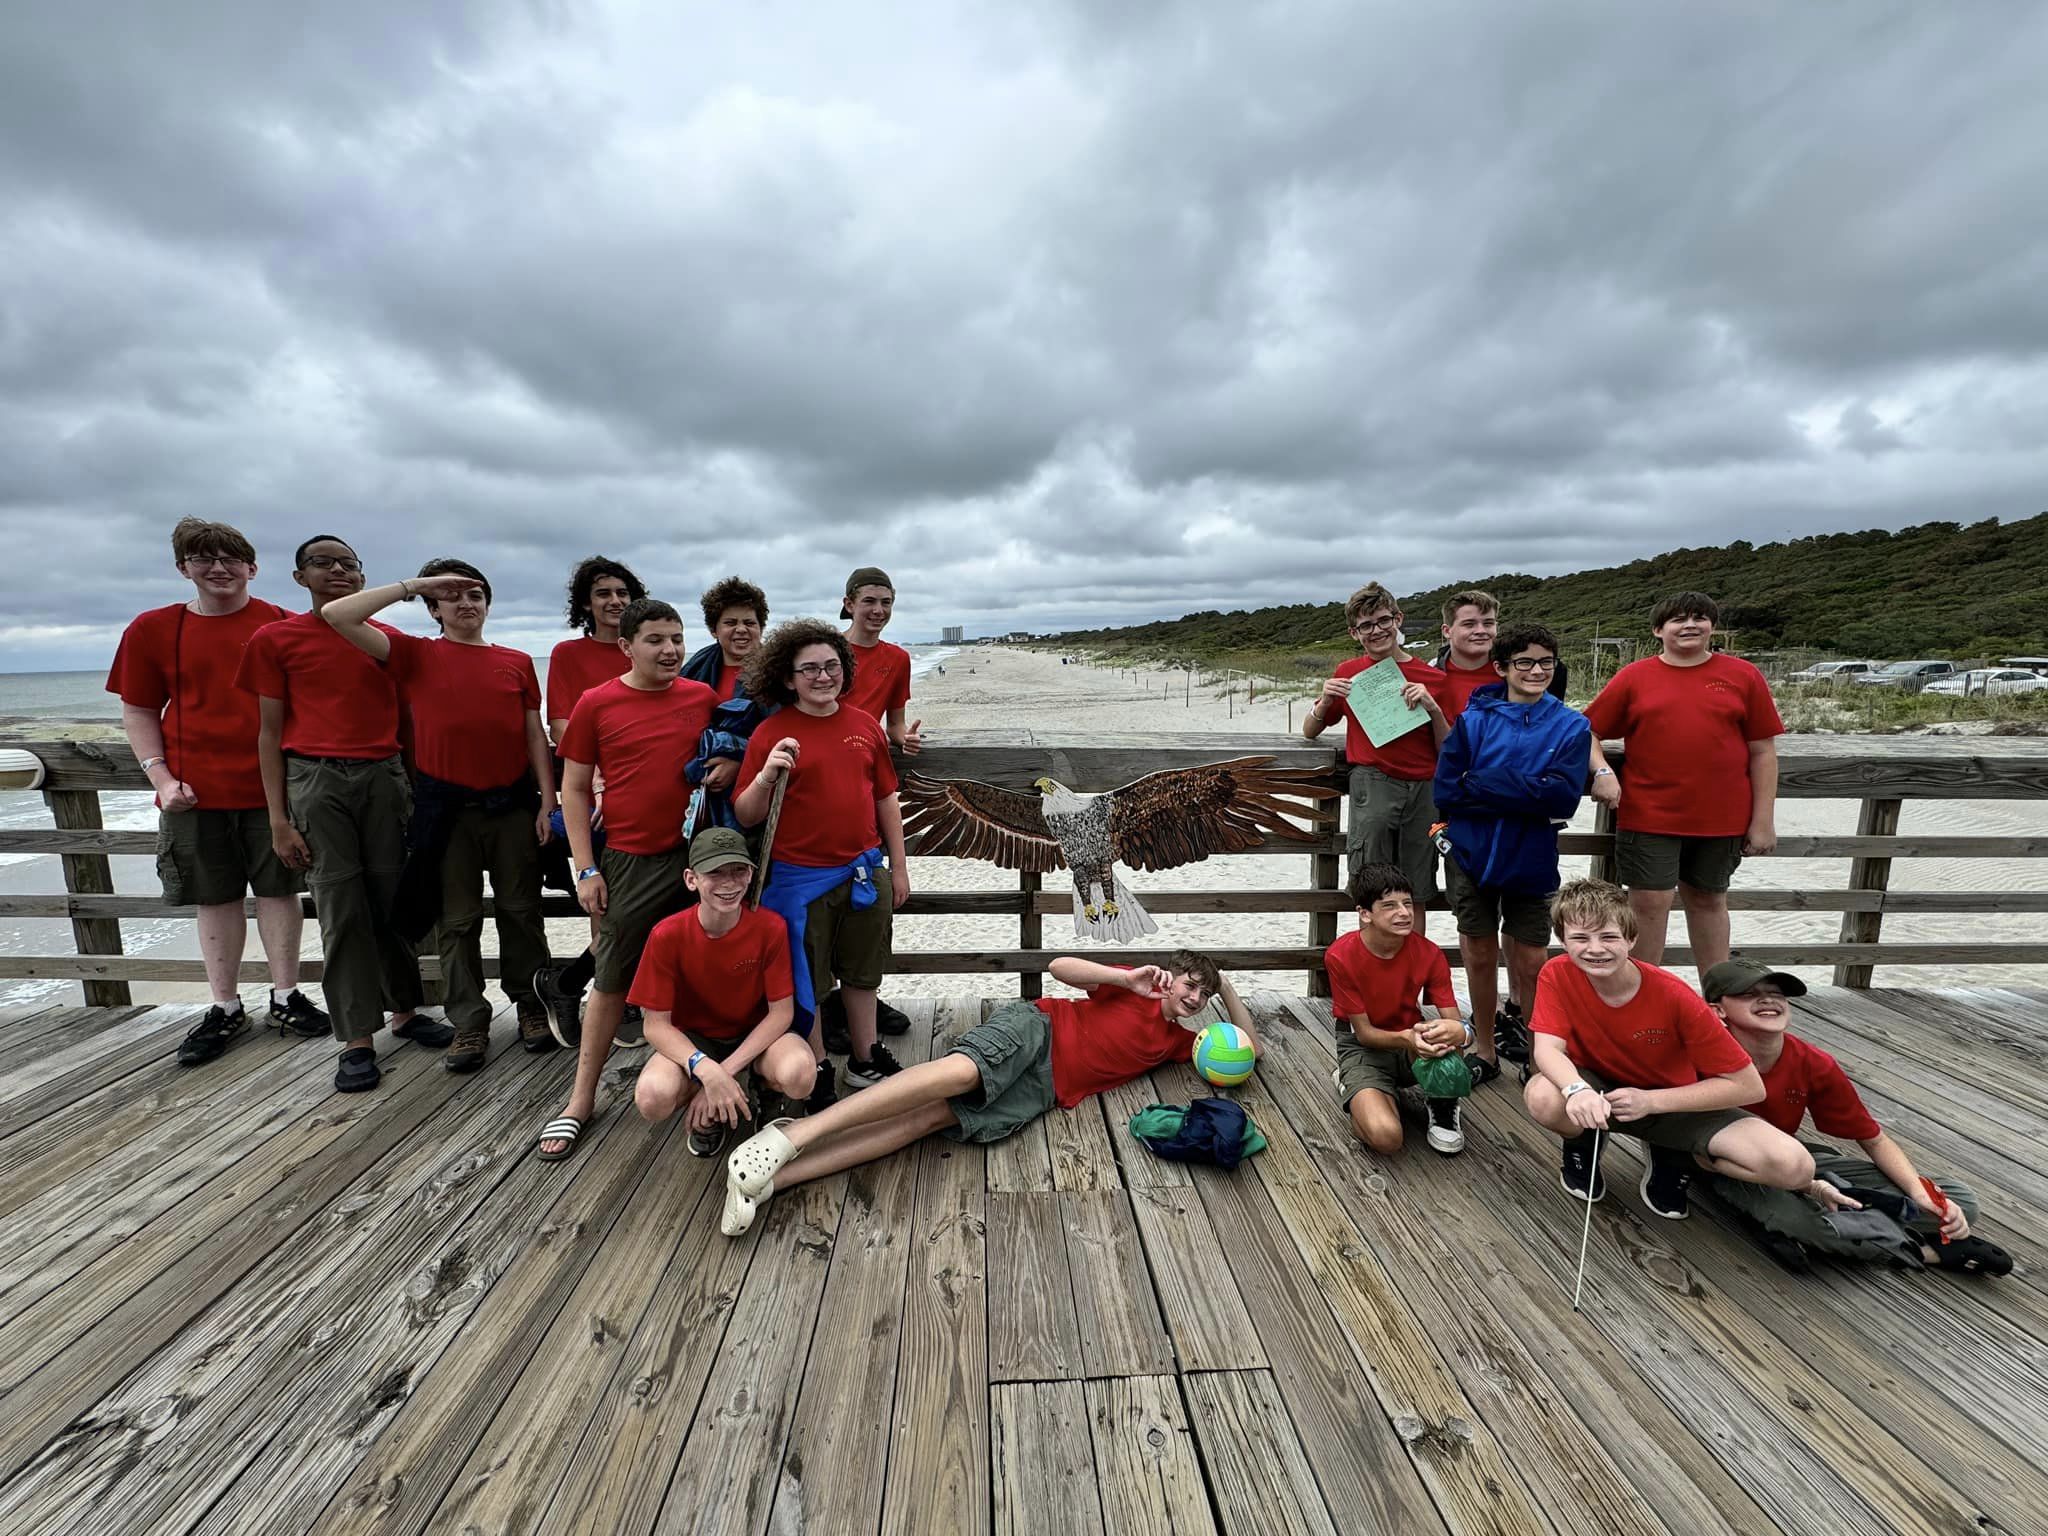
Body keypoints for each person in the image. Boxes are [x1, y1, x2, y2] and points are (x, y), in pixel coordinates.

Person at [718, 951, 1251, 1235]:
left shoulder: (1183, 1042)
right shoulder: (1131, 987)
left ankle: (776, 1178)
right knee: (960, 1073)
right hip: (1037, 1031)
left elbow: (1251, 1050)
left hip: (1045, 1089)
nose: (1194, 996)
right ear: (1171, 976)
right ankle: (796, 1135)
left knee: (922, 1121)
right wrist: (1123, 977)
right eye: (1190, 983)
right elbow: (1057, 968)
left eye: (1203, 994)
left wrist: (1227, 986)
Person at [234, 536, 454, 1091]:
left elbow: (410, 720)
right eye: (323, 563)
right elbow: (267, 731)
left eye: (348, 564)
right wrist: (279, 819)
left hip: (384, 776)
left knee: (391, 900)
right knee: (340, 906)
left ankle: (404, 1011)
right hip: (315, 778)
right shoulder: (275, 639)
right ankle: (356, 1036)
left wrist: (415, 785)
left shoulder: (386, 640)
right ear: (299, 576)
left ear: (362, 577)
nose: (337, 571)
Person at [322, 560, 558, 1069]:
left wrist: (548, 800)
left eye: (475, 594)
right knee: (457, 921)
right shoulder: (414, 654)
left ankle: (532, 1007)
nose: (466, 603)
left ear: (488, 605)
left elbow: (533, 733)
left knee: (522, 911)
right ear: (433, 608)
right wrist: (414, 585)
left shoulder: (516, 661)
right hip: (445, 809)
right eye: (452, 596)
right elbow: (339, 615)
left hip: (512, 805)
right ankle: (469, 1022)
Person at [107, 517, 326, 1063]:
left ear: (252, 567)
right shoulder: (151, 629)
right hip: (193, 792)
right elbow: (137, 710)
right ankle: (225, 1006)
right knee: (215, 896)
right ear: (184, 569)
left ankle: (285, 995)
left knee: (280, 891)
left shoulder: (283, 623)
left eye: (231, 559)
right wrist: (160, 778)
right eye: (203, 559)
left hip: (274, 792)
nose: (219, 569)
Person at [537, 598, 717, 1161]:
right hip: (628, 858)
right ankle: (579, 1100)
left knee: (698, 970)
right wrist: (585, 868)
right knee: (612, 978)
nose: (669, 650)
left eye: (677, 639)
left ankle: (698, 1088)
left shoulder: (700, 697)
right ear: (626, 646)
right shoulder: (597, 703)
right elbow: (573, 789)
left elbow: (736, 745)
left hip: (694, 853)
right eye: (656, 640)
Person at [1699, 959, 2010, 1275]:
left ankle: (1828, 1228)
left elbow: (1873, 1140)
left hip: (1793, 1157)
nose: (1768, 999)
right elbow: (1704, 1158)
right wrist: (1811, 1187)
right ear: (1717, 1010)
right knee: (1800, 1222)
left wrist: (1920, 1194)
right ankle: (1926, 1252)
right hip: (1732, 1168)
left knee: (1959, 1202)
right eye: (1749, 993)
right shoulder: (1702, 1061)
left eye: (1777, 992)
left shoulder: (1813, 1062)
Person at [1522, 879, 1812, 1217]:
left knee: (1794, 1166)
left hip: (1672, 1100)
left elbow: (1748, 1085)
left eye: (1609, 937)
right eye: (1581, 938)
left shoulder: (1674, 995)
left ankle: (1677, 1152)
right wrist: (1577, 1091)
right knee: (1543, 1095)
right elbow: (1547, 1050)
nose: (1595, 949)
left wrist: (1651, 1102)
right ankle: (1584, 1141)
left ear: (1631, 939)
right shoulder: (1556, 974)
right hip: (1598, 1092)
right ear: (1563, 940)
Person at [735, 619, 912, 1108]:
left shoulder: (862, 726)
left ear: (844, 670)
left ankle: (864, 1059)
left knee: (862, 972)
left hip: (862, 871)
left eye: (831, 666)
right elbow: (747, 814)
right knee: (808, 980)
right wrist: (768, 774)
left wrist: (897, 867)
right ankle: (817, 1069)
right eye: (808, 669)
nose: (822, 676)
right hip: (796, 881)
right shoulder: (770, 732)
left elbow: (885, 799)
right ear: (788, 678)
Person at [1584, 592, 1783, 972]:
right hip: (1649, 814)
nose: (1689, 625)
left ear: (1712, 626)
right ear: (1659, 630)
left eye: (1698, 618)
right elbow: (1587, 730)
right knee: (1648, 905)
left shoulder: (1743, 675)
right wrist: (1603, 771)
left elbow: (1763, 751)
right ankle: (1644, 995)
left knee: (1709, 901)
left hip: (1722, 817)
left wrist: (1763, 820)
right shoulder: (1635, 677)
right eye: (1677, 619)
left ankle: (1717, 998)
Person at [1431, 623, 1593, 1080]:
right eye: (1524, 662)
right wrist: (1529, 789)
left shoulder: (1571, 726)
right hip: (1470, 854)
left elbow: (1562, 798)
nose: (1536, 670)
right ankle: (1484, 1049)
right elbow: (1447, 790)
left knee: (1532, 959)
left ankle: (1541, 1054)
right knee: (1478, 953)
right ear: (1502, 667)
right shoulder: (1473, 720)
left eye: (1545, 662)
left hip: (1532, 857)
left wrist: (1484, 782)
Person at [626, 828, 819, 1158]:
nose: (729, 883)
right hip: (696, 1038)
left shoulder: (770, 927)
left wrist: (722, 1073)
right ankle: (712, 1105)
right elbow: (654, 1025)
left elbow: (781, 1013)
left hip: (755, 1034)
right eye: (715, 873)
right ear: (691, 879)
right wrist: (705, 1069)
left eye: (738, 871)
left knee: (801, 1073)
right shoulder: (666, 934)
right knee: (651, 1098)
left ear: (750, 875)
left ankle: (761, 1092)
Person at [533, 557, 649, 1042]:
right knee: (608, 907)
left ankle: (569, 982)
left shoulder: (643, 651)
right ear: (586, 602)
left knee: (646, 907)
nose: (614, 601)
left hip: (644, 798)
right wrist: (597, 771)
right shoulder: (567, 653)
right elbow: (560, 724)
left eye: (623, 593)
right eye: (603, 593)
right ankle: (609, 996)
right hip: (597, 799)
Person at [1301, 581, 1453, 933]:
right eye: (1366, 626)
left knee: (1416, 889)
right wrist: (1325, 699)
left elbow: (1448, 746)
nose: (1377, 631)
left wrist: (1431, 706)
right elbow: (1310, 731)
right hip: (1373, 783)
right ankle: (1373, 977)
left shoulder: (1435, 678)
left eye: (1383, 621)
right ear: (1354, 633)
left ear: (1398, 619)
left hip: (1424, 788)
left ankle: (1412, 977)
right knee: (1370, 886)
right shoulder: (1348, 673)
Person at [1326, 863, 1471, 1156]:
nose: (1404, 913)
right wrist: (1407, 1037)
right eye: (1389, 906)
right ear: (1365, 913)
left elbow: (1454, 1021)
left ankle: (1443, 1104)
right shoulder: (1340, 956)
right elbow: (1364, 1034)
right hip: (1364, 1047)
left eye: (1407, 903)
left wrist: (1460, 1033)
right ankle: (1358, 1084)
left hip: (1411, 1045)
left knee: (1448, 1035)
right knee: (1387, 1138)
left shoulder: (1429, 953)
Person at [679, 576, 774, 832]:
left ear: (761, 627)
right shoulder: (696, 667)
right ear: (714, 629)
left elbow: (787, 731)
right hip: (699, 789)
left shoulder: (779, 672)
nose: (741, 629)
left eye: (749, 622)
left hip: (759, 792)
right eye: (730, 622)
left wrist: (740, 762)